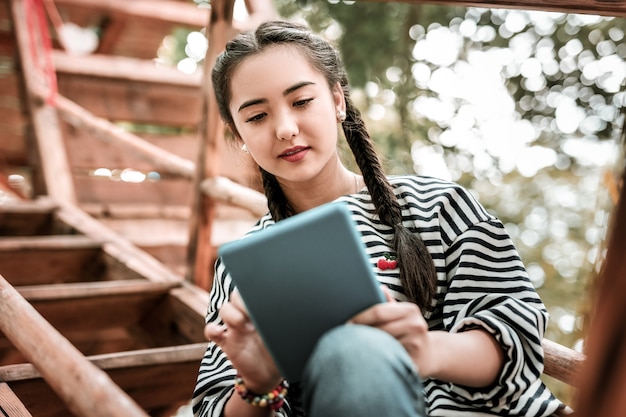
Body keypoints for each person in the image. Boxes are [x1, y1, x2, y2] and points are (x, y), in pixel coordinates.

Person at [192, 20, 567, 417]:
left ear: (338, 100)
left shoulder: (440, 206)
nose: (285, 129)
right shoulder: (245, 268)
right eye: (256, 117)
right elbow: (214, 404)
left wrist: (426, 350)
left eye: (301, 102)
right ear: (237, 135)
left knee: (355, 347)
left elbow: (515, 332)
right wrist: (257, 386)